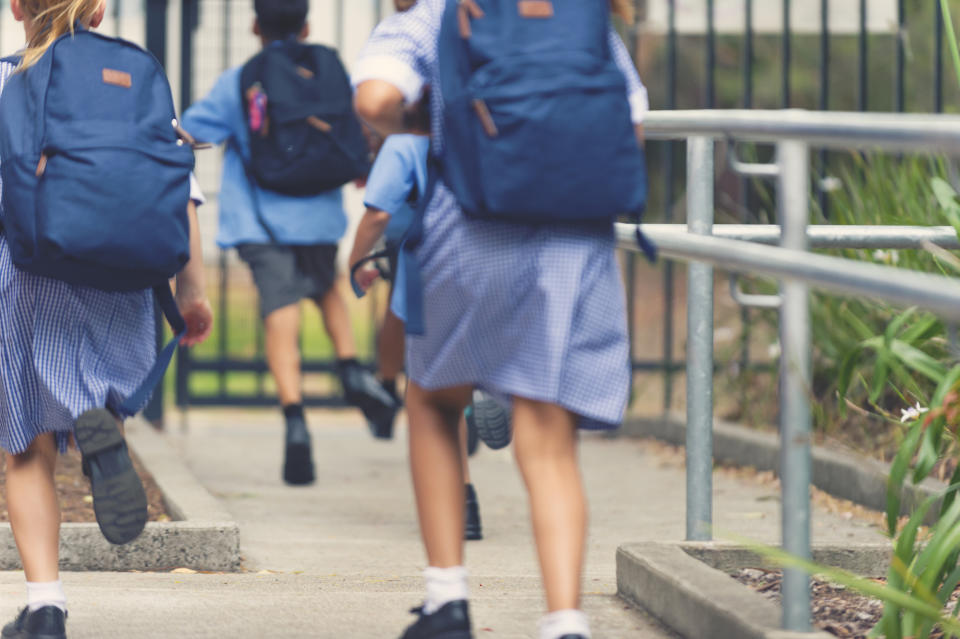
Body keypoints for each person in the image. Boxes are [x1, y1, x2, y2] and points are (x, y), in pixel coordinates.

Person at [352, 0, 648, 637]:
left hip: (473, 226)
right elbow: (632, 122)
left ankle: (446, 600)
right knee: (548, 435)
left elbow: (375, 100)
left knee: (433, 400)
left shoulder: (433, 15)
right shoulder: (583, 16)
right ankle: (566, 620)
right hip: (575, 236)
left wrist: (428, 119)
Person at [0, 2, 213, 637]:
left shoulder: (8, 79)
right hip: (123, 272)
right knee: (100, 390)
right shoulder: (136, 75)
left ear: (17, 9)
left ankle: (45, 608)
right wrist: (192, 292)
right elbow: (182, 191)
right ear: (97, 9)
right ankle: (105, 427)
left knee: (27, 449)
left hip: (30, 269)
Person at [181, 0, 399, 487]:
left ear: (256, 26)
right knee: (326, 289)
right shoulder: (326, 70)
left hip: (262, 223)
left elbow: (189, 131)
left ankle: (296, 421)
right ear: (307, 25)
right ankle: (350, 368)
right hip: (319, 216)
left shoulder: (241, 81)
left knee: (281, 310)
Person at [349, 88, 489, 541]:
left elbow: (376, 214)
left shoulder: (404, 146)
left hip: (431, 269)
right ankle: (491, 394)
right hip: (492, 262)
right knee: (472, 362)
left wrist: (357, 261)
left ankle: (462, 506)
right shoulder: (483, 138)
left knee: (429, 392)